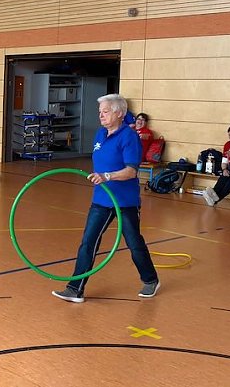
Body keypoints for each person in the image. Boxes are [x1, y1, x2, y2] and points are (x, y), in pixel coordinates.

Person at [52, 93, 160, 303]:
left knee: (133, 242)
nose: (101, 116)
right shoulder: (100, 134)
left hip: (124, 201)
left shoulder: (129, 137)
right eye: (100, 112)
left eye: (106, 111)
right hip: (101, 199)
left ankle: (150, 280)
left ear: (119, 113)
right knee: (88, 242)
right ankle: (75, 289)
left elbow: (131, 171)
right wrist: (100, 176)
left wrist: (107, 176)